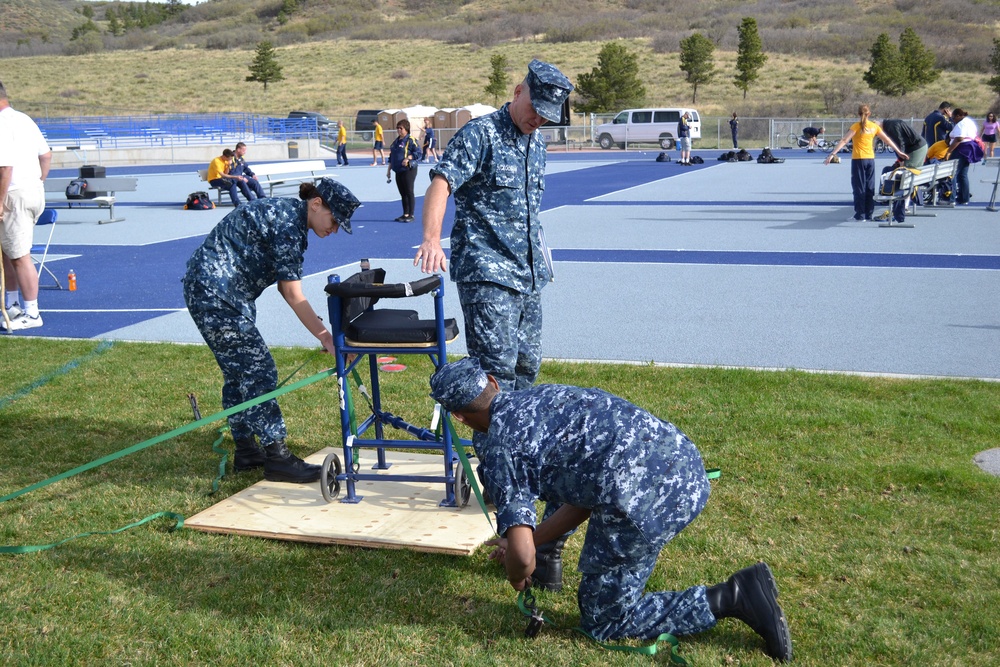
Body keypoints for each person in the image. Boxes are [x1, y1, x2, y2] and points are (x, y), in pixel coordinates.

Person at [429, 358, 793, 662]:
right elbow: (584, 495)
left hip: (649, 498)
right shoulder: (544, 396)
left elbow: (523, 558)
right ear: (493, 382)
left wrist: (516, 573)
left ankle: (734, 597)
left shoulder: (503, 448)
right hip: (683, 462)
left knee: (604, 621)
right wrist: (530, 542)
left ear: (458, 417)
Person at [414, 59, 574, 590]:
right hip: (487, 276)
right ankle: (510, 519)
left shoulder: (537, 142)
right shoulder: (481, 134)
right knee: (494, 390)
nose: (539, 120)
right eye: (535, 109)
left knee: (527, 381)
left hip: (528, 278)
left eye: (548, 115)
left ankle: (524, 494)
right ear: (518, 90)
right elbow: (441, 183)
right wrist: (432, 239)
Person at [182, 178, 360, 483]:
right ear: (316, 204)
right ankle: (277, 457)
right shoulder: (289, 225)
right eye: (334, 221)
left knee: (239, 373)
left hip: (217, 291)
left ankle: (246, 450)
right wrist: (324, 336)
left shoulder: (288, 215)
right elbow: (290, 292)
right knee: (258, 370)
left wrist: (319, 329)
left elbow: (286, 288)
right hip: (217, 294)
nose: (333, 230)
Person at [0, 80, 51, 332]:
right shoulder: (24, 119)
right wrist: (38, 182)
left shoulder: (1, 123)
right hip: (31, 191)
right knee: (9, 251)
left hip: (14, 194)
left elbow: (5, 168)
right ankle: (12, 304)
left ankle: (32, 313)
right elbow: (46, 155)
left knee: (20, 256)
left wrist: (0, 201)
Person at [824, 105, 907, 221]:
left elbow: (844, 140)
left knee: (859, 186)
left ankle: (860, 215)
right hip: (870, 160)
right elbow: (887, 140)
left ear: (858, 114)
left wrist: (832, 154)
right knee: (869, 186)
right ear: (869, 114)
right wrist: (899, 151)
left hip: (858, 159)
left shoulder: (856, 126)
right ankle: (868, 213)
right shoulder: (874, 127)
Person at [879, 119, 929, 223]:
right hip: (917, 147)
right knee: (907, 177)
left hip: (916, 149)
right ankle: (904, 205)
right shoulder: (891, 124)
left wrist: (901, 160)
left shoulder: (890, 127)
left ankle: (904, 207)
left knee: (906, 176)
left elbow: (899, 141)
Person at [386, 119, 421, 222]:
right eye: (397, 128)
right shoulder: (395, 142)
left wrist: (408, 158)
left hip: (408, 169)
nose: (399, 130)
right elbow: (392, 157)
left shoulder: (410, 140)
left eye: (401, 128)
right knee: (402, 193)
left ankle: (411, 214)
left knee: (409, 191)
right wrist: (389, 170)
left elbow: (418, 153)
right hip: (398, 170)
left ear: (406, 129)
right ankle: (405, 214)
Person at [945, 108, 980, 205]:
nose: (953, 120)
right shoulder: (969, 122)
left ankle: (951, 199)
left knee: (953, 173)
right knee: (963, 174)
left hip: (961, 149)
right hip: (968, 150)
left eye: (953, 118)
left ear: (958, 116)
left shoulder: (962, 124)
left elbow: (959, 138)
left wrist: (949, 151)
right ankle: (964, 198)